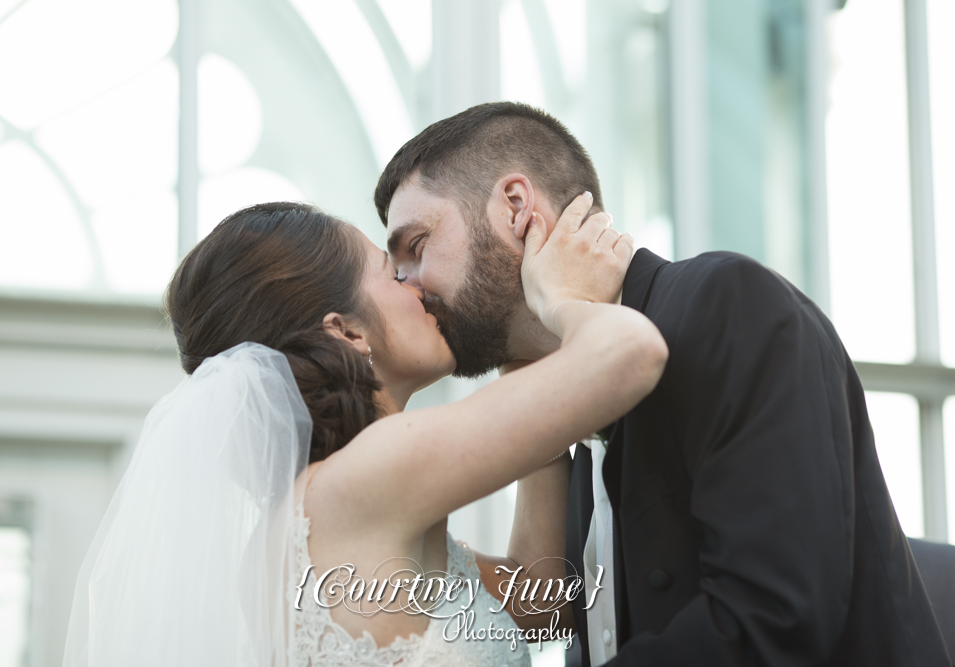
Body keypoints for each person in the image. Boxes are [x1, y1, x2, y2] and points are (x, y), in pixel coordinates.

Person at [375, 101, 952, 666]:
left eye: (416, 248)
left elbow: (773, 620)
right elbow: (565, 612)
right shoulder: (570, 397)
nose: (407, 285)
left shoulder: (727, 305)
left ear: (517, 208)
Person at [62, 196, 668, 667]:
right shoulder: (364, 478)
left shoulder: (317, 511)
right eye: (391, 272)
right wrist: (561, 299)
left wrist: (520, 348)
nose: (419, 285)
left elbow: (545, 601)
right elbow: (633, 351)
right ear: (348, 332)